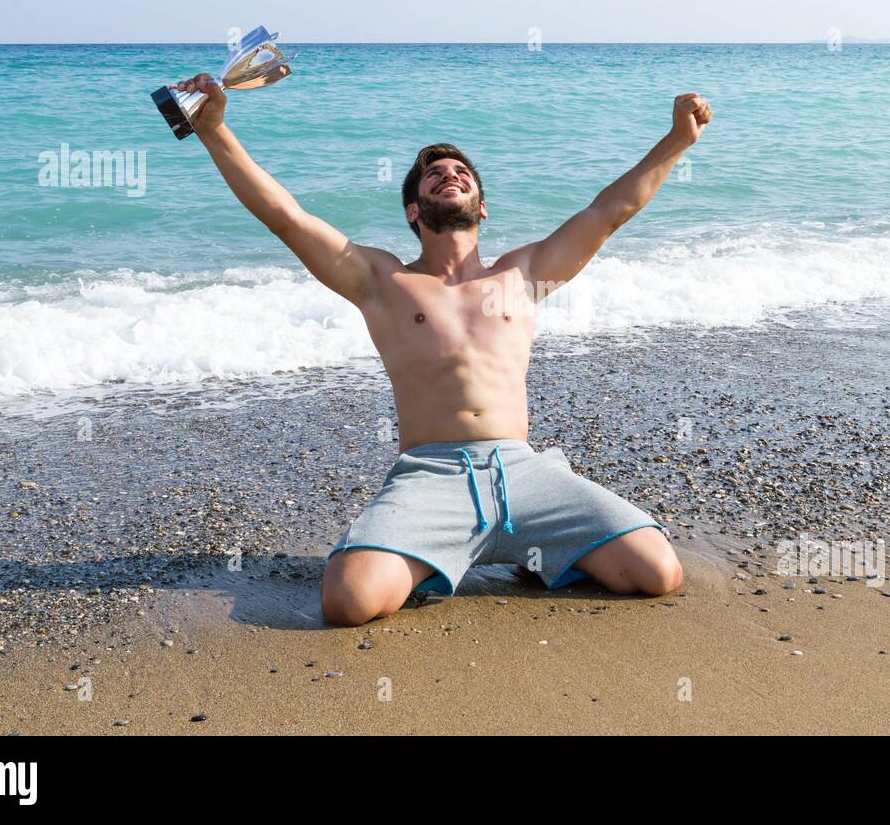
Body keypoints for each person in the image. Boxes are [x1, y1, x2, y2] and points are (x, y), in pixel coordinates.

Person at [169, 72, 712, 625]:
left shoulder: (525, 274)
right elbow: (286, 217)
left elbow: (609, 211)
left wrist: (677, 140)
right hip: (432, 475)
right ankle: (442, 555)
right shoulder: (382, 281)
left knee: (656, 572)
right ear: (413, 209)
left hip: (526, 472)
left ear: (482, 206)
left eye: (460, 173)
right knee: (348, 601)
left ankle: (528, 551)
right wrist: (216, 131)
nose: (449, 176)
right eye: (434, 175)